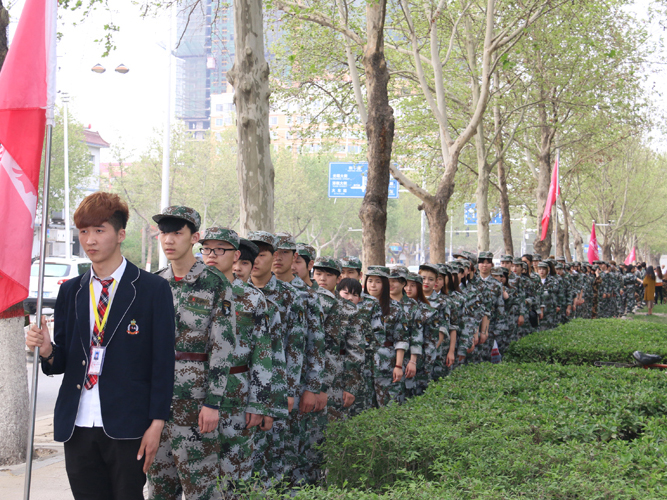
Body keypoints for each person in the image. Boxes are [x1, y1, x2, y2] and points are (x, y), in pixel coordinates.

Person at [26, 192, 176, 500]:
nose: (90, 240)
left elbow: (162, 363)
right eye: (83, 231)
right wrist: (46, 350)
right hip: (77, 421)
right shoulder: (71, 290)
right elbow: (61, 362)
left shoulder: (152, 289)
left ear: (120, 234)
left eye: (99, 230)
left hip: (128, 423)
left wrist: (157, 423)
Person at [148, 206, 236, 500]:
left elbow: (222, 347)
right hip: (157, 406)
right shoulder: (154, 283)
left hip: (196, 405)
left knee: (202, 490)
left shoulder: (214, 283)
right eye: (164, 233)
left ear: (194, 237)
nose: (169, 239)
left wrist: (213, 402)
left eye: (177, 232)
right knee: (159, 489)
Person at [199, 227, 274, 490]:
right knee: (198, 474)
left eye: (219, 249)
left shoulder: (252, 298)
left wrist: (259, 403)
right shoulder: (191, 292)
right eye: (206, 249)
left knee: (235, 474)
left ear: (236, 255)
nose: (211, 255)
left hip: (237, 394)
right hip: (197, 391)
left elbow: (263, 354)